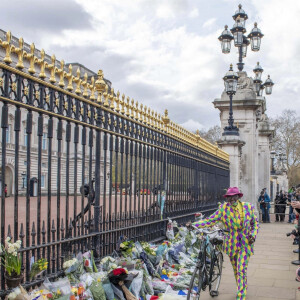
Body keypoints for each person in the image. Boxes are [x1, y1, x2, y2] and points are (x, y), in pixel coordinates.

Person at [192, 187, 259, 300]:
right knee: (236, 269)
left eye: (234, 196)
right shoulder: (223, 209)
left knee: (241, 268)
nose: (231, 199)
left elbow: (255, 223)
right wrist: (195, 225)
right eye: (229, 197)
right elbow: (210, 220)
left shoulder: (248, 207)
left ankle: (241, 295)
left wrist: (253, 234)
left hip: (246, 243)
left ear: (238, 196)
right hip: (231, 244)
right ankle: (242, 286)